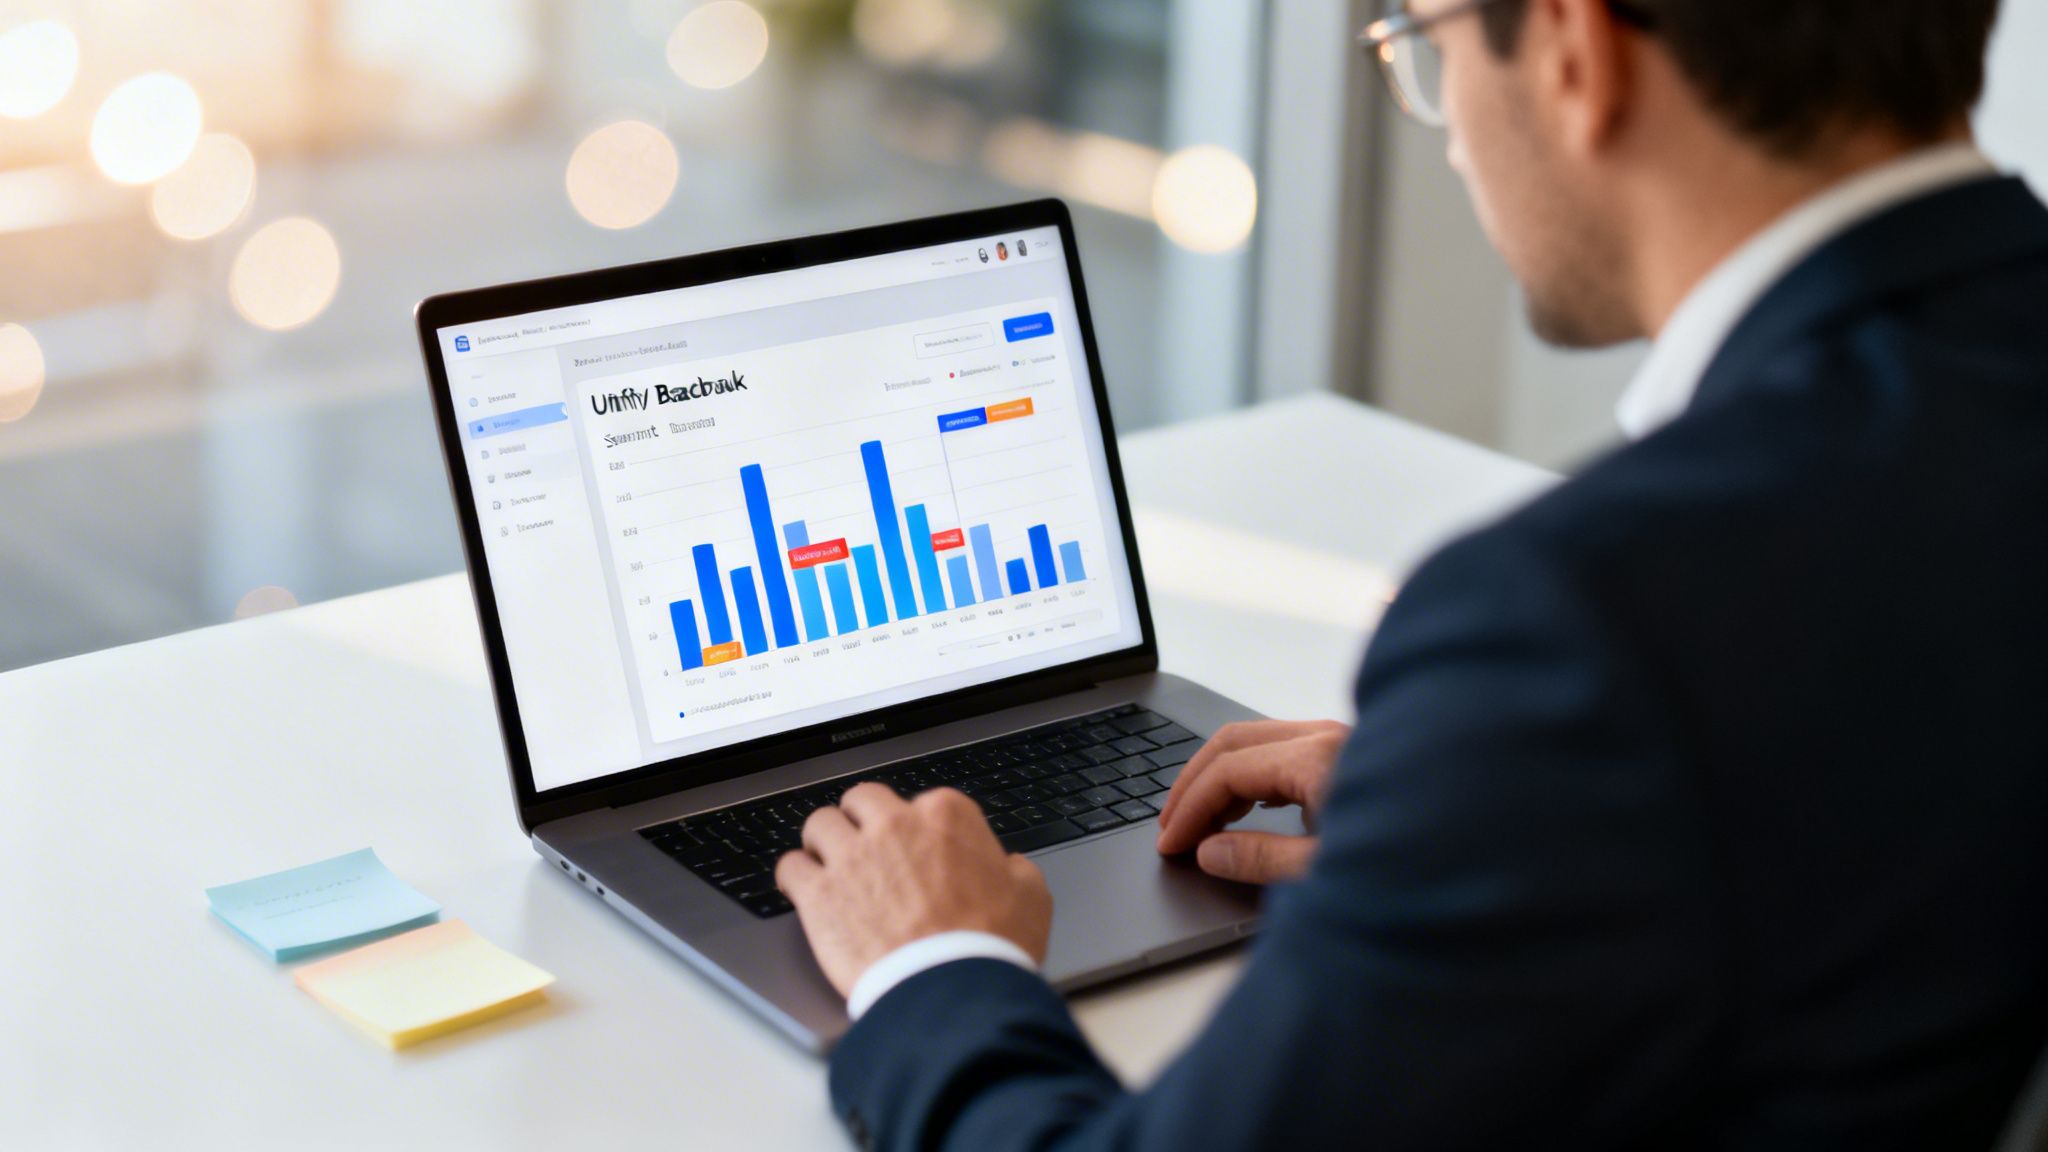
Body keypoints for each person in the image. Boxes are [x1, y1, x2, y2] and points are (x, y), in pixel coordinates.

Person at [775, 0, 2048, 1146]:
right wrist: (1485, 824)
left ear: (1571, 49)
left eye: (1424, 52)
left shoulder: (1581, 623)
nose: (1442, 138)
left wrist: (931, 968)